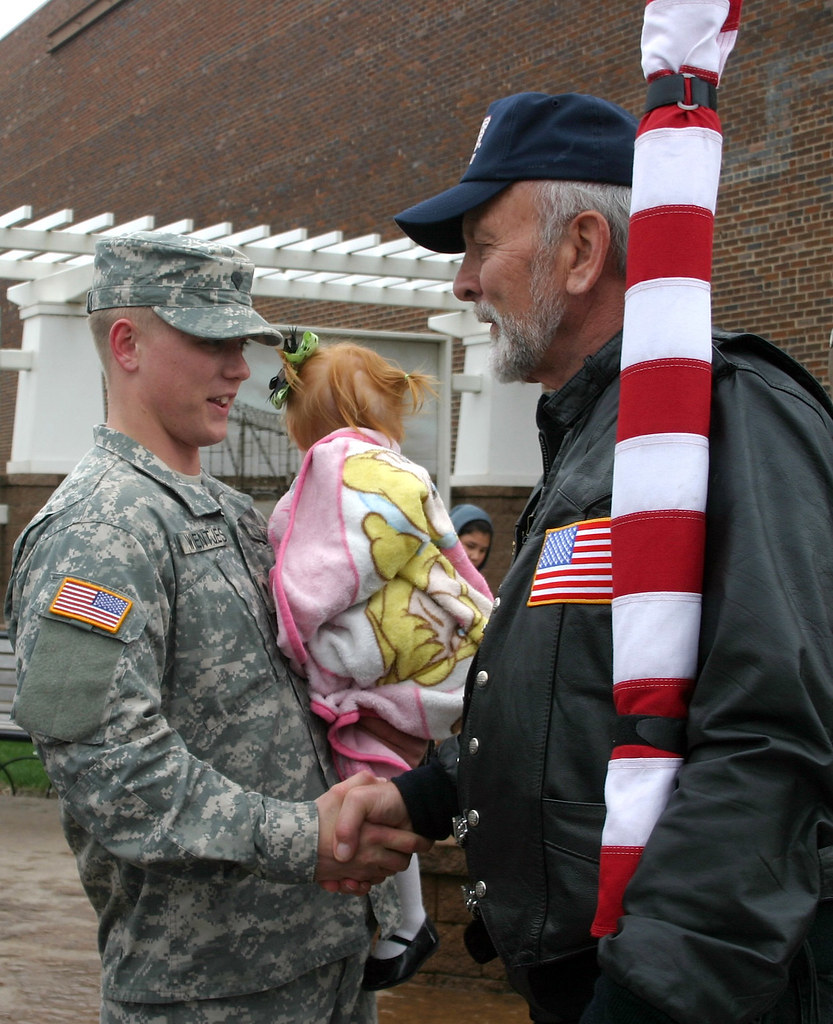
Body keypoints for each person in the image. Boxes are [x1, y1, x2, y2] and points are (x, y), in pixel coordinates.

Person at [329, 92, 833, 1023]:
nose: (461, 285)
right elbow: (586, 698)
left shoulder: (724, 419)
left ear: (582, 250)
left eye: (483, 244)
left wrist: (651, 996)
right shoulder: (596, 438)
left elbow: (769, 745)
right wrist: (428, 796)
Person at [3, 231, 430, 1024]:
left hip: (323, 959)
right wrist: (301, 837)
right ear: (125, 344)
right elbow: (108, 770)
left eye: (241, 342)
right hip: (207, 990)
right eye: (209, 340)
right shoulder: (97, 533)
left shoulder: (234, 517)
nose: (239, 367)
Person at [266, 337, 493, 990]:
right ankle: (412, 918)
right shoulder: (403, 469)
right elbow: (451, 555)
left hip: (394, 663)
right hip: (446, 645)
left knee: (369, 779)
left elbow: (325, 568)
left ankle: (407, 919)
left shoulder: (332, 471)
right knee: (429, 779)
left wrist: (297, 630)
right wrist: (483, 614)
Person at [450, 503, 493, 570]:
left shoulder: (477, 580)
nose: (475, 557)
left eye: (482, 550)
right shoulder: (430, 575)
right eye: (470, 546)